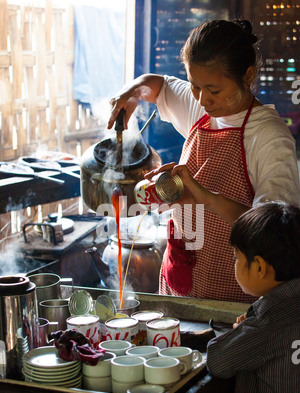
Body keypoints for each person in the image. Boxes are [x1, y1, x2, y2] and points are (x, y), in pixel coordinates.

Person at [108, 19, 300, 303]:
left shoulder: (268, 136)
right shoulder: (201, 103)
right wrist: (133, 93)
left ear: (247, 75)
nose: (202, 99)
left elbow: (276, 234)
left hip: (232, 298)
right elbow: (158, 85)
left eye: (214, 90)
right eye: (194, 86)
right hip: (179, 281)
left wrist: (207, 199)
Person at [206, 201, 300, 393]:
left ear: (259, 267)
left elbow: (218, 360)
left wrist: (242, 332)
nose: (234, 263)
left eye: (237, 257)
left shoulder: (266, 323)